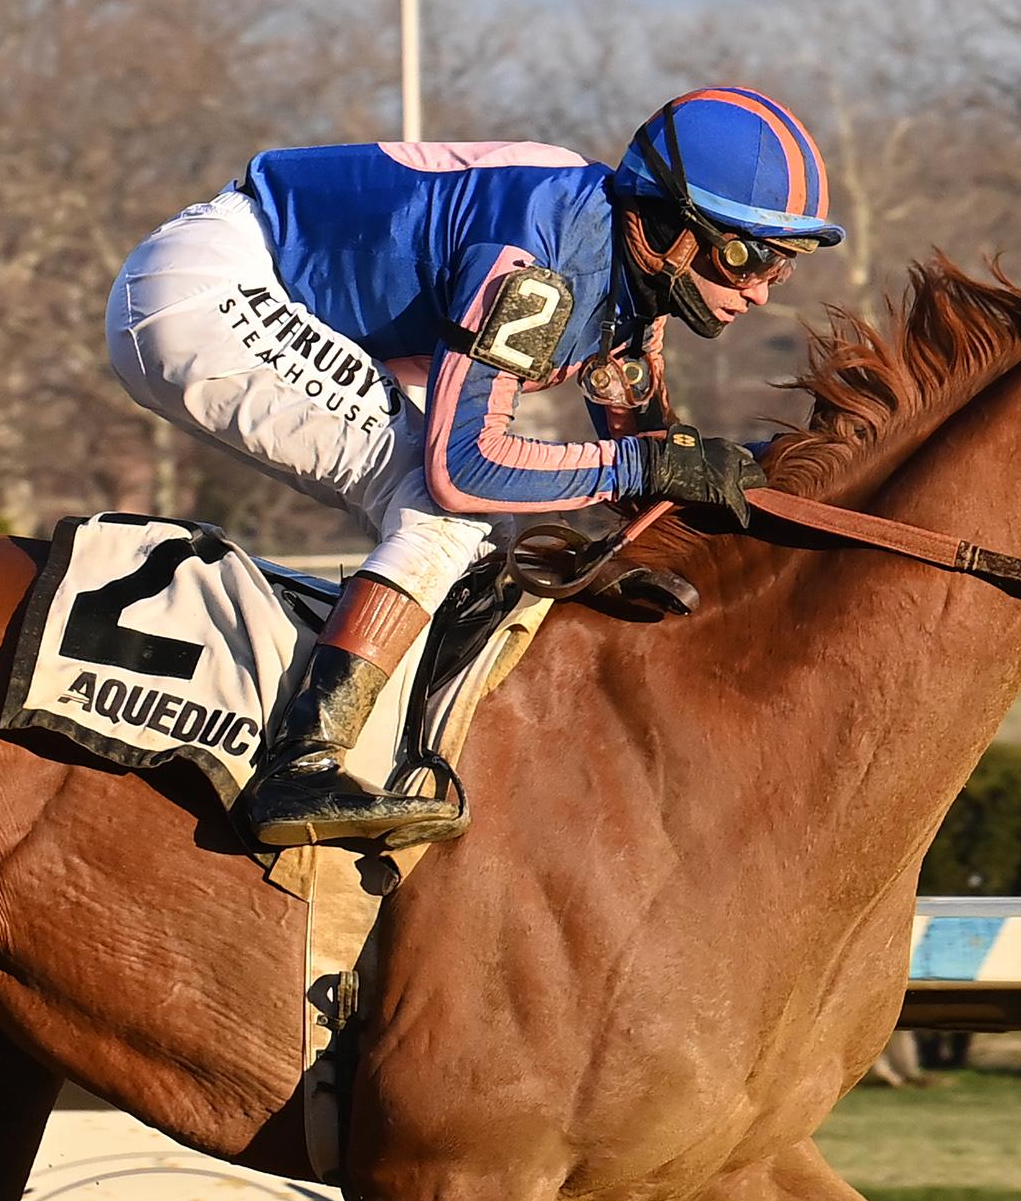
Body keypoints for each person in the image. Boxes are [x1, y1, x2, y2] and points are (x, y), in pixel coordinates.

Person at [105, 88, 842, 848]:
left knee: (498, 529)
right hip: (206, 289)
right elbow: (468, 468)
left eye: (782, 268)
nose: (759, 291)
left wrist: (766, 476)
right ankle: (301, 763)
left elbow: (654, 463)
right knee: (446, 514)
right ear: (666, 228)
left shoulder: (631, 287)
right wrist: (647, 466)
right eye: (746, 257)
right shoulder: (536, 264)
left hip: (250, 285)